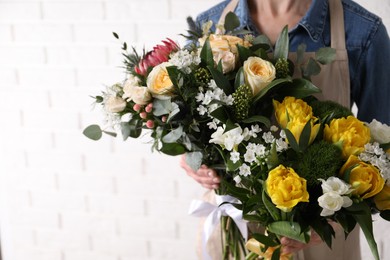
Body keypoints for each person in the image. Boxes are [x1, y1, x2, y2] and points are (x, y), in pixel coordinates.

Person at [182, 0, 390, 259]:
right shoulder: (208, 29)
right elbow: (190, 126)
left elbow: (383, 158)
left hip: (323, 238)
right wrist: (192, 158)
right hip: (236, 229)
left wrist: (331, 221)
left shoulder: (362, 32)